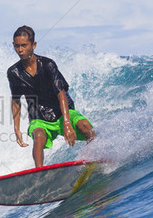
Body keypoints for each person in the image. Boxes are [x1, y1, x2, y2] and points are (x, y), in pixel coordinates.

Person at [8, 25, 96, 168]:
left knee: (85, 126)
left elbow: (61, 93)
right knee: (39, 137)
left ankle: (97, 156)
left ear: (34, 45)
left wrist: (67, 123)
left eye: (24, 45)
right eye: (17, 46)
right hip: (38, 118)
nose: (20, 50)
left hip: (62, 113)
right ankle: (39, 173)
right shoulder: (13, 72)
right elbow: (16, 101)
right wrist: (16, 128)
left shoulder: (48, 64)